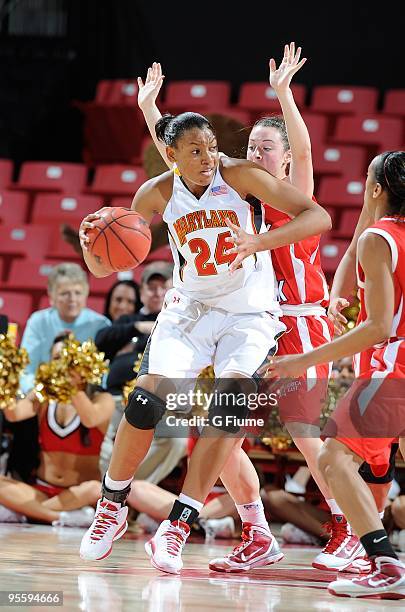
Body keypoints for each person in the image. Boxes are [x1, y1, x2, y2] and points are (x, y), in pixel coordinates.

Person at [78, 106, 330, 573]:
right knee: (148, 401)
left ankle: (177, 525)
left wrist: (259, 243)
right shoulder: (155, 193)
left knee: (226, 412)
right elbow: (108, 264)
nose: (208, 157)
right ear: (171, 154)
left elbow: (316, 217)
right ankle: (111, 505)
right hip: (190, 310)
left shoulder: (239, 175)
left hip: (248, 314)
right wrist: (90, 244)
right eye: (195, 151)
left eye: (212, 147)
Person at [136, 47, 354, 573]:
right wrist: (150, 110)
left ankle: (348, 527)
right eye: (250, 147)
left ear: (280, 159)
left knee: (304, 433)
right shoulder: (234, 191)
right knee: (214, 432)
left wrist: (283, 95)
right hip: (249, 324)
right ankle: (257, 530)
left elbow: (302, 153)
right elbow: (179, 157)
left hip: (301, 321)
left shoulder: (288, 194)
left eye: (265, 149)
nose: (255, 156)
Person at [267, 151, 405, 599]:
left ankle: (384, 565)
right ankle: (376, 560)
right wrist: (342, 293)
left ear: (377, 189)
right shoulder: (382, 235)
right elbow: (360, 249)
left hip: (393, 367)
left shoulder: (378, 239)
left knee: (332, 459)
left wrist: (304, 360)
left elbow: (379, 326)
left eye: (368, 179)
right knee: (375, 463)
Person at [0, 332, 114, 526]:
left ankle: (28, 512)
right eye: (56, 359)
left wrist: (71, 386)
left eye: (67, 360)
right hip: (42, 490)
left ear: (83, 363)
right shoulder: (42, 396)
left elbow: (89, 419)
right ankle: (59, 518)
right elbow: (14, 414)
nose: (61, 366)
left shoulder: (102, 399)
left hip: (80, 494)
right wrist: (4, 382)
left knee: (95, 489)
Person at [97, 262, 187, 487]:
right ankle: (121, 496)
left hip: (160, 403)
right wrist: (139, 327)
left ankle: (121, 493)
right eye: (151, 287)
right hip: (116, 400)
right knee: (106, 439)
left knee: (177, 440)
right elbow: (101, 340)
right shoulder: (128, 321)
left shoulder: (182, 321)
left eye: (162, 287)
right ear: (142, 292)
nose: (157, 293)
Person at [19, 263, 111, 395]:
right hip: (44, 394)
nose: (72, 299)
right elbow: (26, 370)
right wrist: (38, 393)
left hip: (86, 397)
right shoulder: (38, 321)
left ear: (86, 295)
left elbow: (104, 375)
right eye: (65, 293)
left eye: (78, 293)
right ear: (52, 297)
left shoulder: (101, 325)